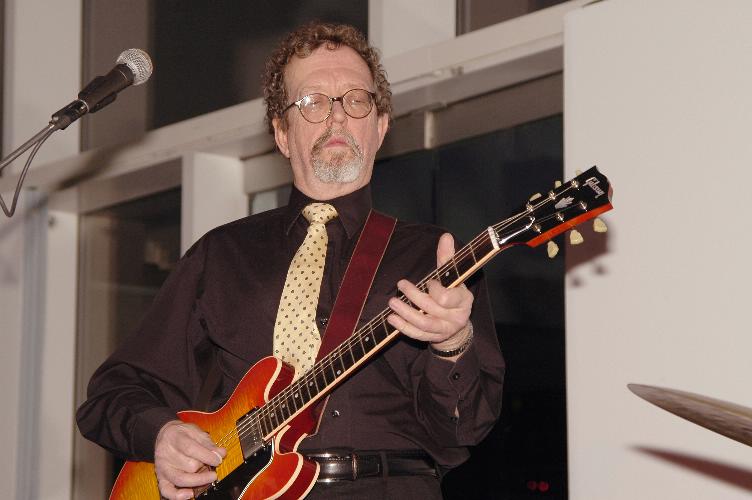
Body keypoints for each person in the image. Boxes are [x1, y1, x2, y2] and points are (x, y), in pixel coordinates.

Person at [77, 22, 505, 500]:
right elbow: (113, 393)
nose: (338, 116)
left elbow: (465, 428)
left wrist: (452, 345)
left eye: (356, 100)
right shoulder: (221, 255)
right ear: (282, 133)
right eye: (313, 102)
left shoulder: (435, 258)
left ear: (381, 126)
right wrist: (161, 433)